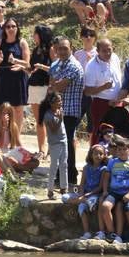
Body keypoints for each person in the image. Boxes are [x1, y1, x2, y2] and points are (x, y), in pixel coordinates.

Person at [48, 36, 85, 187]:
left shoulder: (74, 66)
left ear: (71, 49)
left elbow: (58, 86)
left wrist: (55, 85)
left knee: (67, 144)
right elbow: (52, 85)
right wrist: (54, 85)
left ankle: (70, 176)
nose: (62, 51)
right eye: (59, 48)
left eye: (65, 48)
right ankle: (62, 175)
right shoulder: (56, 64)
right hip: (57, 110)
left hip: (70, 111)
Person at [100, 137, 129, 244]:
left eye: (124, 149)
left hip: (128, 192)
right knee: (105, 206)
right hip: (114, 192)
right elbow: (106, 177)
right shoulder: (112, 162)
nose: (122, 152)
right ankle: (112, 233)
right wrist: (105, 190)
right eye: (119, 149)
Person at [0, 17, 30, 132]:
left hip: (18, 77)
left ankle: (16, 136)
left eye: (13, 26)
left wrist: (16, 62)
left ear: (17, 28)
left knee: (18, 109)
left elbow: (27, 63)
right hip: (3, 77)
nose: (11, 29)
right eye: (8, 27)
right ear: (4, 29)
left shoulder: (22, 42)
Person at [84, 38, 123, 144]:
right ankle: (95, 154)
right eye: (104, 51)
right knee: (100, 133)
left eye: (109, 50)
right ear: (97, 51)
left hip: (117, 102)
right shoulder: (92, 66)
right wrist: (103, 87)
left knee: (118, 134)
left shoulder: (115, 58)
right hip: (101, 104)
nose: (108, 53)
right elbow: (87, 91)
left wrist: (121, 98)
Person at [28, 25, 53, 155]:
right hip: (33, 86)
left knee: (49, 119)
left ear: (41, 35)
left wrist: (42, 67)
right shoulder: (35, 50)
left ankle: (51, 148)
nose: (33, 36)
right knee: (39, 120)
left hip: (45, 87)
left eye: (35, 33)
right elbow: (31, 68)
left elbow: (55, 69)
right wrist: (18, 63)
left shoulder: (51, 49)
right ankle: (41, 149)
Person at [76, 144, 108, 240]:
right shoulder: (86, 168)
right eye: (95, 153)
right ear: (91, 155)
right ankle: (87, 232)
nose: (98, 156)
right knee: (80, 206)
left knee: (93, 202)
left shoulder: (104, 169)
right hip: (85, 194)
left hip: (95, 194)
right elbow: (82, 183)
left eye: (101, 154)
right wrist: (81, 194)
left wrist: (88, 194)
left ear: (104, 156)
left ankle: (101, 232)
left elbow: (100, 187)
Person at [40, 92, 68, 199]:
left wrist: (60, 117)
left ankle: (64, 188)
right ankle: (50, 190)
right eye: (58, 101)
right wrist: (60, 119)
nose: (61, 102)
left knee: (64, 164)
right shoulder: (47, 115)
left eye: (61, 100)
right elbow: (53, 129)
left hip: (63, 141)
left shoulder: (59, 111)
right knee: (54, 166)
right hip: (55, 143)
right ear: (51, 103)